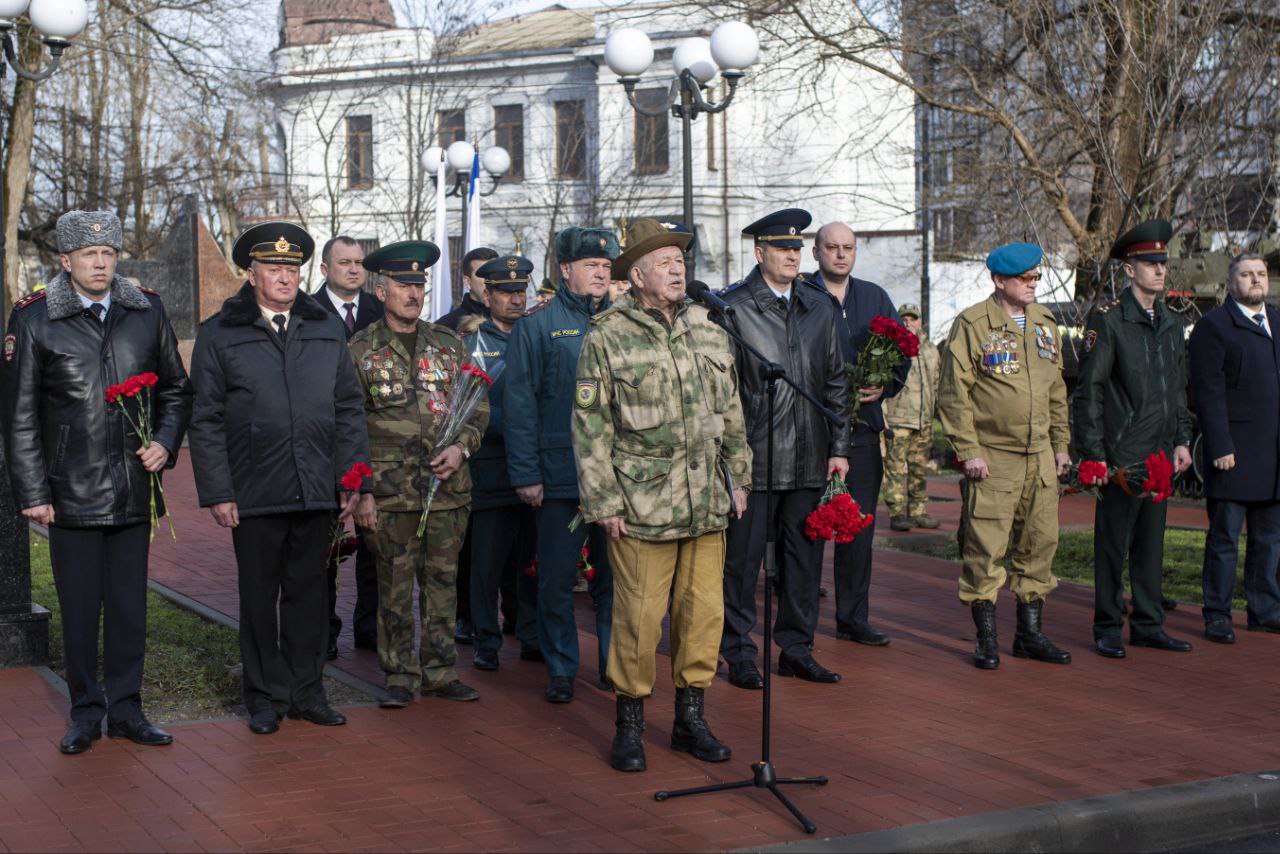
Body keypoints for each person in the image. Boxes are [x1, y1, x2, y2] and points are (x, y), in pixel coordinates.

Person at [1, 210, 192, 755]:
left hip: (133, 486)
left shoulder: (145, 310)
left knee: (130, 609)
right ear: (67, 261)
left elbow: (177, 390)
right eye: (89, 254)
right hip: (71, 492)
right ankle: (85, 712)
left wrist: (165, 442)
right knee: (80, 612)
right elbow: (18, 415)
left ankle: (128, 709)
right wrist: (33, 494)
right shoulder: (35, 318)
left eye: (108, 253)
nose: (101, 263)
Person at [573, 219, 751, 772]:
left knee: (703, 617)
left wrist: (739, 477)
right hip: (642, 506)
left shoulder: (708, 327)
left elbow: (731, 411)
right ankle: (629, 724)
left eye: (681, 261)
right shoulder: (608, 335)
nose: (678, 270)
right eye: (666, 262)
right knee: (639, 621)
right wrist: (603, 502)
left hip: (706, 502)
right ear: (637, 275)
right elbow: (590, 426)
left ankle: (689, 720)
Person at [189, 221, 371, 735]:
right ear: (252, 275)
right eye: (274, 268)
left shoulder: (325, 328)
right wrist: (218, 491)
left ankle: (307, 692)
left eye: (292, 268)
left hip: (316, 488)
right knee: (258, 600)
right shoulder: (220, 333)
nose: (285, 277)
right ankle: (264, 697)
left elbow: (348, 407)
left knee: (310, 597)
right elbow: (205, 418)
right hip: (254, 491)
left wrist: (352, 478)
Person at [348, 241, 487, 707]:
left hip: (447, 490)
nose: (413, 293)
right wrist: (362, 491)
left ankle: (440, 671)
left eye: (419, 285)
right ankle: (399, 675)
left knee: (443, 585)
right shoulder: (359, 350)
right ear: (380, 290)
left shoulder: (449, 344)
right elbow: (347, 425)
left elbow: (477, 407)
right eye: (404, 285)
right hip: (390, 494)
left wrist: (461, 449)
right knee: (393, 587)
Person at [719, 208, 851, 688]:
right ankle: (739, 653)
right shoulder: (733, 308)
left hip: (810, 456)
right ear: (760, 254)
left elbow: (836, 380)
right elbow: (725, 393)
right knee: (741, 564)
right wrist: (731, 462)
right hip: (755, 458)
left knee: (804, 563)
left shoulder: (818, 306)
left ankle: (796, 649)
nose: (793, 256)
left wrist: (838, 447)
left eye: (797, 248)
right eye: (782, 249)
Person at [937, 242, 1073, 670]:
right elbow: (954, 394)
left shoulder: (1045, 322)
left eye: (1036, 277)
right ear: (999, 281)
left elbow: (1056, 391)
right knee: (986, 547)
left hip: (1040, 456)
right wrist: (968, 450)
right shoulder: (973, 324)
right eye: (1025, 278)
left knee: (1040, 543)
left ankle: (1029, 635)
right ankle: (987, 638)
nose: (1034, 284)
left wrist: (1061, 445)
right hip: (994, 458)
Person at [504, 226, 617, 704]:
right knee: (555, 579)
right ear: (566, 270)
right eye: (591, 266)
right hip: (560, 476)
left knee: (616, 581)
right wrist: (527, 474)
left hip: (618, 477)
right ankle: (562, 667)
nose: (601, 274)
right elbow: (519, 404)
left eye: (606, 266)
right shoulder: (538, 325)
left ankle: (615, 667)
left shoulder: (624, 320)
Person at [1073, 219, 1194, 658]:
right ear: (1129, 269)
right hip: (1122, 456)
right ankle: (1107, 624)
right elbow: (1089, 392)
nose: (1160, 270)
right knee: (1112, 546)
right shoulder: (1109, 321)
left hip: (1160, 452)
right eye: (1150, 263)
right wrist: (1093, 455)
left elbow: (1176, 389)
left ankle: (1147, 623)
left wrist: (1182, 439)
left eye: (1163, 262)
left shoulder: (1171, 322)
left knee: (1151, 545)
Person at [808, 222, 906, 647]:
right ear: (817, 252)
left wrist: (886, 385)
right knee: (809, 529)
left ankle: (852, 618)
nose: (840, 254)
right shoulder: (802, 295)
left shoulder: (874, 297)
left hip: (862, 429)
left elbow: (902, 352)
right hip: (813, 431)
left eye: (847, 247)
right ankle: (802, 619)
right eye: (832, 247)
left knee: (858, 530)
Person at [1189, 253, 1279, 641]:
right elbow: (1207, 392)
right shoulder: (1214, 326)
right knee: (1224, 539)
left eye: (1261, 273)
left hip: (1273, 455)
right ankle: (1217, 614)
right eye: (1246, 274)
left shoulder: (1277, 320)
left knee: (1269, 541)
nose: (1256, 280)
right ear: (1230, 283)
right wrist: (1219, 445)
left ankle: (1265, 610)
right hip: (1233, 454)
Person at [465, 254, 541, 670]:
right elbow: (467, 408)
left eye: (520, 291)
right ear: (487, 296)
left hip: (536, 469)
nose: (515, 299)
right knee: (487, 565)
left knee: (531, 561)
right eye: (506, 292)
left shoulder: (538, 335)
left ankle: (530, 633)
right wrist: (519, 423)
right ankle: (486, 639)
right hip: (491, 468)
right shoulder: (473, 344)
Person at [316, 235, 383, 658]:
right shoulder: (306, 312)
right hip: (323, 446)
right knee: (325, 545)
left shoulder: (380, 311)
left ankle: (369, 627)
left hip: (374, 445)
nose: (355, 269)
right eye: (344, 263)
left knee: (374, 544)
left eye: (359, 262)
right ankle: (324, 629)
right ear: (325, 269)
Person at [437, 247, 499, 646]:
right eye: (482, 275)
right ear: (466, 280)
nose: (490, 283)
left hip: (502, 451)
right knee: (465, 542)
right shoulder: (448, 327)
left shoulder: (515, 323)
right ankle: (464, 615)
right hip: (463, 451)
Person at [884, 303, 941, 532]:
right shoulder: (891, 347)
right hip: (899, 419)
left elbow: (937, 382)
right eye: (904, 319)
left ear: (920, 322)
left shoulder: (931, 349)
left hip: (924, 419)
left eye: (913, 318)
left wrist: (937, 412)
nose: (908, 323)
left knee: (919, 468)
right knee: (896, 468)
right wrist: (884, 415)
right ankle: (897, 513)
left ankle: (918, 511)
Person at [436, 246, 498, 332]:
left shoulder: (513, 322)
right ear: (468, 282)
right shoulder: (445, 327)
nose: (491, 280)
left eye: (495, 273)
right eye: (483, 274)